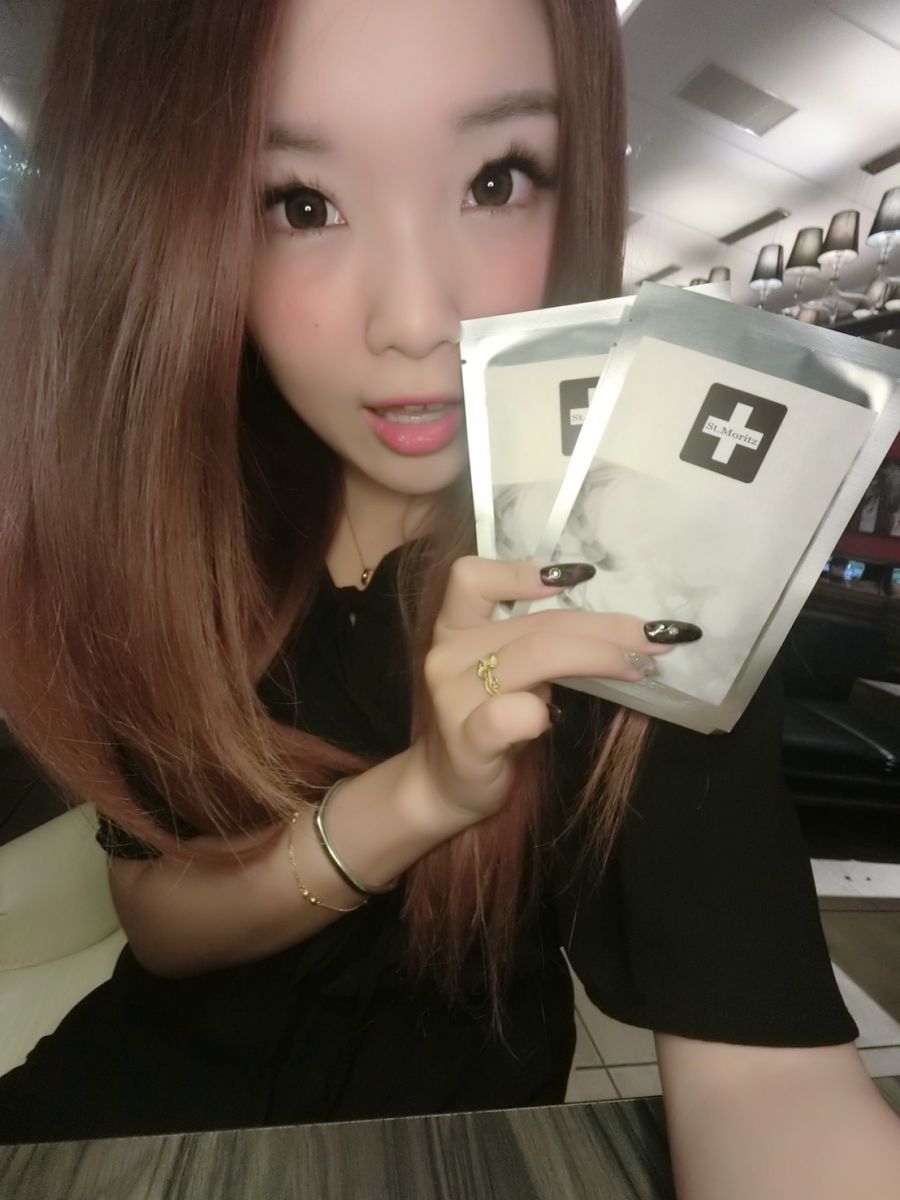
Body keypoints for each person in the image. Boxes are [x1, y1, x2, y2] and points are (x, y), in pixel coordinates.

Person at [1, 0, 899, 1193]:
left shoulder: (634, 561)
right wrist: (421, 797)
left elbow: (766, 1079)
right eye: (300, 204)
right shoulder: (178, 535)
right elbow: (157, 921)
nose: (417, 319)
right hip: (123, 1128)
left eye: (494, 181)